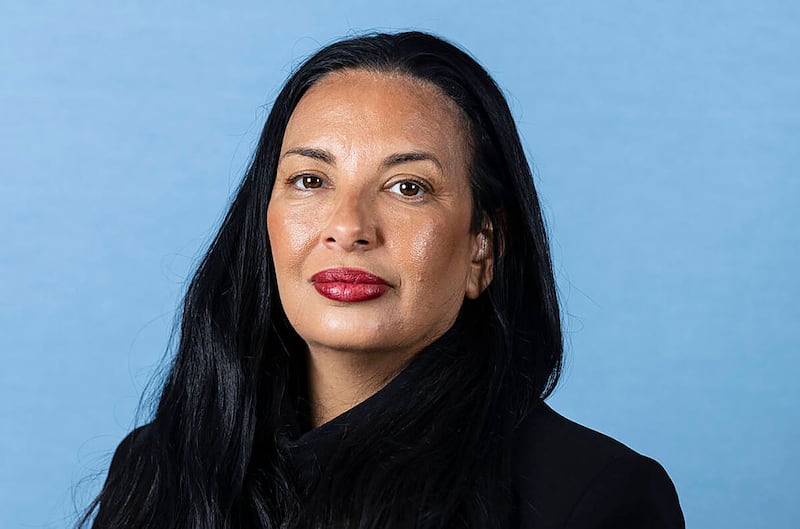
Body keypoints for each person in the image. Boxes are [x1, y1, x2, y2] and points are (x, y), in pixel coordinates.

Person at [81, 31, 684, 529]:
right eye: (311, 181)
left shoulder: (595, 498)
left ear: (483, 248)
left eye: (408, 188)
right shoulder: (157, 465)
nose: (349, 228)